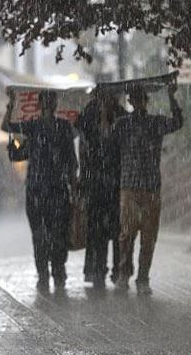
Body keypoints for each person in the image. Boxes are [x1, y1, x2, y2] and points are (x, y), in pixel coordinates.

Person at [2, 90, 77, 293]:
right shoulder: (33, 127)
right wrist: (11, 104)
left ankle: (58, 271)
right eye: (46, 102)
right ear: (41, 104)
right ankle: (43, 273)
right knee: (40, 235)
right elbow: (6, 127)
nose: (49, 105)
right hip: (36, 190)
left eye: (51, 101)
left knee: (58, 233)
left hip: (58, 190)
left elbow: (71, 160)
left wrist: (74, 185)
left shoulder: (63, 127)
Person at [113, 82, 182, 295]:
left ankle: (143, 277)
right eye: (134, 99)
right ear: (131, 102)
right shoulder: (122, 124)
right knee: (127, 234)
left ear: (146, 101)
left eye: (141, 98)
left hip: (150, 187)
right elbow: (107, 139)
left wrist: (172, 97)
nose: (138, 102)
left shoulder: (156, 123)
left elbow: (177, 122)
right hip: (130, 187)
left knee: (148, 237)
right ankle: (124, 274)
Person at [75, 89, 126, 289]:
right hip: (95, 183)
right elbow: (84, 139)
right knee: (97, 230)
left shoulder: (121, 115)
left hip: (115, 182)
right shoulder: (89, 114)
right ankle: (98, 270)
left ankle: (117, 270)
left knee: (117, 229)